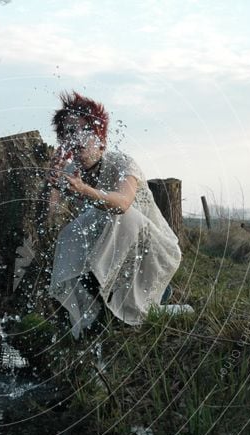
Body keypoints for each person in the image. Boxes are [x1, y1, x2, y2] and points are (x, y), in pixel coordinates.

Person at [45, 91, 183, 339]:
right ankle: (86, 307)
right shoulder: (72, 171)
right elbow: (52, 219)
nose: (73, 140)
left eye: (78, 131)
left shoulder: (122, 163)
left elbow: (122, 203)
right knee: (71, 231)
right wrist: (53, 185)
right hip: (115, 253)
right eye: (66, 134)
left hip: (154, 251)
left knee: (121, 215)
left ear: (99, 137)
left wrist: (85, 190)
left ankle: (153, 296)